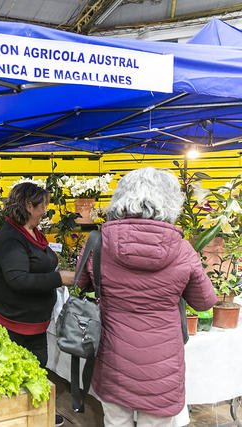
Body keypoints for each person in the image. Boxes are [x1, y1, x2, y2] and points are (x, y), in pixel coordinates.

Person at [76, 167, 217, 427]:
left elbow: (81, 285)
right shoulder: (183, 250)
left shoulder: (97, 242)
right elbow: (205, 301)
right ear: (170, 202)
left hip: (113, 360)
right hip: (162, 369)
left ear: (120, 198)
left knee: (116, 422)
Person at [0, 181, 75, 366]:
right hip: (10, 322)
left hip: (33, 323)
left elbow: (36, 265)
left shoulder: (32, 232)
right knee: (16, 376)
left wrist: (53, 276)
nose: (45, 210)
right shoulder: (11, 238)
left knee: (37, 370)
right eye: (43, 206)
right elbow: (18, 279)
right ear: (29, 206)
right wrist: (59, 278)